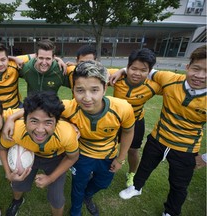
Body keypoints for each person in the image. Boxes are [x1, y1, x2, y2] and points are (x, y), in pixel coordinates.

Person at [119, 45, 206, 216]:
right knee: (145, 166)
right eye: (196, 68)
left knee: (179, 184)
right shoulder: (170, 78)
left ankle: (171, 212)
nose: (201, 75)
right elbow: (145, 71)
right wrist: (122, 70)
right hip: (158, 137)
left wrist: (205, 158)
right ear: (188, 67)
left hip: (186, 148)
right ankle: (136, 187)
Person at [61, 60, 135, 216]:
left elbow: (128, 132)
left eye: (94, 90)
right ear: (73, 89)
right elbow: (40, 110)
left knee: (103, 183)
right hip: (81, 156)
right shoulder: (68, 107)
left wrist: (120, 158)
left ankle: (87, 196)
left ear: (104, 89)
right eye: (80, 90)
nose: (87, 98)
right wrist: (66, 123)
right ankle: (75, 210)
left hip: (108, 155)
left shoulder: (123, 108)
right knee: (77, 185)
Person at [0, 91, 79, 216]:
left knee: (56, 198)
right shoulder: (16, 131)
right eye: (34, 121)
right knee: (18, 182)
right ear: (24, 120)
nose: (40, 130)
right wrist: (8, 173)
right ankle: (17, 201)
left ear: (56, 123)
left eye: (48, 122)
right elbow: (2, 148)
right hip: (30, 154)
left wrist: (51, 178)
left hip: (56, 159)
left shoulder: (67, 134)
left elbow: (72, 157)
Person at [110, 48, 161, 187]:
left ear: (150, 71)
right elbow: (93, 70)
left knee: (133, 151)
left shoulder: (154, 86)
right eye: (133, 68)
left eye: (143, 70)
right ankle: (105, 169)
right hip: (115, 121)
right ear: (128, 67)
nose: (137, 73)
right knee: (109, 147)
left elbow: (176, 86)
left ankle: (131, 173)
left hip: (136, 121)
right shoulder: (116, 77)